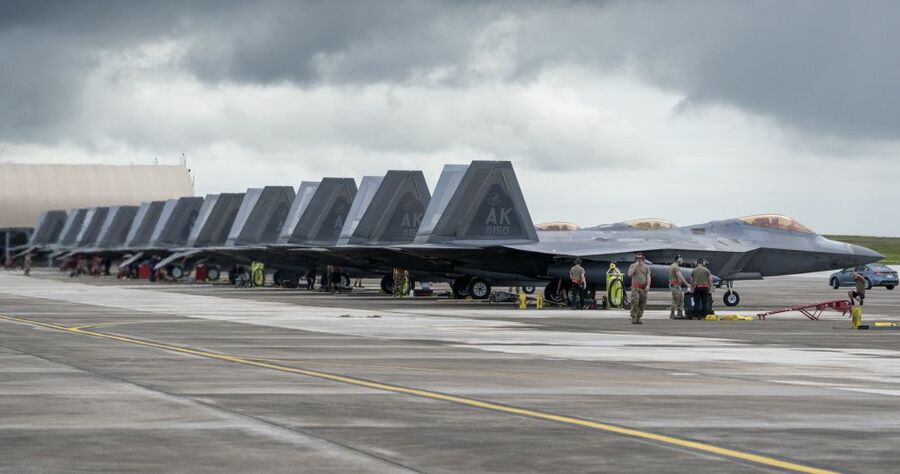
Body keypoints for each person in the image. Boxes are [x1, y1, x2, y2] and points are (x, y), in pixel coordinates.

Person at [627, 253, 651, 324]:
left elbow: (648, 276)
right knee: (635, 302)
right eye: (637, 258)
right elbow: (629, 274)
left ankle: (638, 317)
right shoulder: (632, 265)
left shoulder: (646, 267)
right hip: (635, 288)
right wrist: (635, 266)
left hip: (643, 288)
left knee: (642, 303)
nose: (638, 259)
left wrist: (648, 285)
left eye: (640, 258)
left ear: (643, 259)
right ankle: (634, 317)